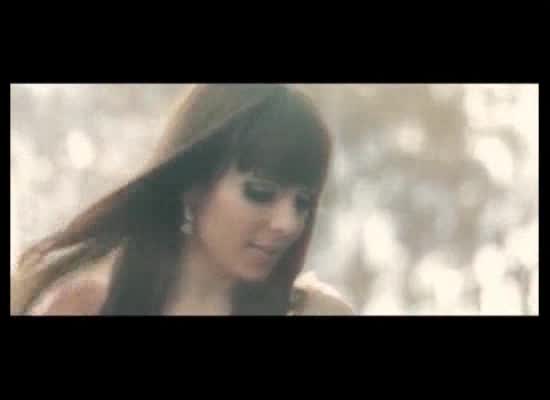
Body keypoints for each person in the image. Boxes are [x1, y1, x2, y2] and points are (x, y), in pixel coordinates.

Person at [10, 84, 354, 316]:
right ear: (193, 184)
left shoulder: (317, 312)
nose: (288, 223)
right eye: (260, 192)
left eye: (302, 202)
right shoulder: (89, 302)